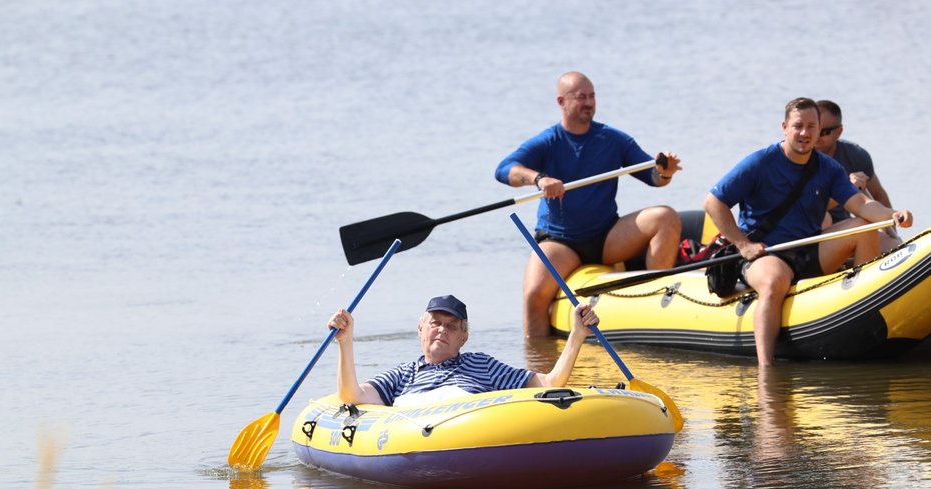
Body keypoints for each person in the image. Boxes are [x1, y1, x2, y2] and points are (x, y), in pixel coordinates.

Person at [702, 97, 913, 367]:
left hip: (809, 250)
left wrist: (892, 216)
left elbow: (861, 204)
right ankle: (766, 368)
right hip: (766, 253)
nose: (805, 133)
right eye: (798, 126)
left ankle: (861, 310)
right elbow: (712, 202)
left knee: (864, 226)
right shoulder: (759, 162)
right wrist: (743, 245)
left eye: (812, 126)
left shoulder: (828, 168)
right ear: (785, 127)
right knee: (774, 280)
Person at [494, 71, 683, 337]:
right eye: (580, 97)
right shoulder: (548, 141)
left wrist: (666, 172)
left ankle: (660, 302)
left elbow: (652, 177)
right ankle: (537, 363)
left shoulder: (613, 139)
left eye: (592, 96)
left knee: (665, 216)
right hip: (561, 241)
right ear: (561, 102)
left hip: (606, 237)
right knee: (534, 295)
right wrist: (539, 179)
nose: (589, 102)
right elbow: (504, 170)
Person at [327, 294, 599, 406]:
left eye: (452, 326)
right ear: (420, 329)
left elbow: (551, 383)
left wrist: (576, 335)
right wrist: (345, 341)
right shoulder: (402, 375)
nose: (442, 330)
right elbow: (352, 396)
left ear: (464, 338)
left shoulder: (482, 365)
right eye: (435, 323)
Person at [815, 99, 902, 252]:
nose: (816, 137)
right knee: (825, 218)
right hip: (813, 232)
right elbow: (810, 210)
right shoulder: (800, 160)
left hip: (844, 226)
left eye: (824, 132)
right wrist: (848, 188)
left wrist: (894, 221)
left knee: (893, 245)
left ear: (839, 132)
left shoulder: (855, 155)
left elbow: (878, 195)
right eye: (814, 129)